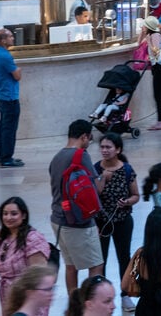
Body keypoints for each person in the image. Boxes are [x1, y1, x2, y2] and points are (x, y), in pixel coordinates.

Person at [50, 120, 104, 293]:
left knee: (71, 266)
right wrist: (105, 177)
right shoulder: (81, 156)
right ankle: (91, 306)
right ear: (83, 136)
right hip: (77, 222)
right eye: (89, 138)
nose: (89, 142)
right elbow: (96, 189)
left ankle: (74, 307)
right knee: (96, 265)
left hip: (58, 220)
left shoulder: (56, 157)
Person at [93, 133, 140, 312]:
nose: (104, 150)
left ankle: (125, 294)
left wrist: (127, 202)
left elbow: (136, 195)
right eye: (102, 147)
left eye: (108, 147)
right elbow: (94, 195)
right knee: (100, 260)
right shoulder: (96, 168)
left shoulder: (127, 169)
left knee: (124, 258)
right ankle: (103, 296)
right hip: (101, 222)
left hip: (123, 221)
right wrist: (103, 178)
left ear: (118, 150)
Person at [0, 197, 50, 313]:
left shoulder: (33, 239)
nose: (8, 217)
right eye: (5, 214)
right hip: (8, 296)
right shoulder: (4, 237)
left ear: (23, 215)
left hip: (28, 299)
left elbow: (39, 277)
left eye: (14, 214)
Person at [0, 28, 22, 168]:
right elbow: (17, 75)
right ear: (3, 40)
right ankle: (6, 159)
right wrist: (18, 70)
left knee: (5, 128)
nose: (13, 38)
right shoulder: (4, 56)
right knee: (9, 129)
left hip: (4, 95)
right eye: (10, 36)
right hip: (10, 97)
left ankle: (6, 156)